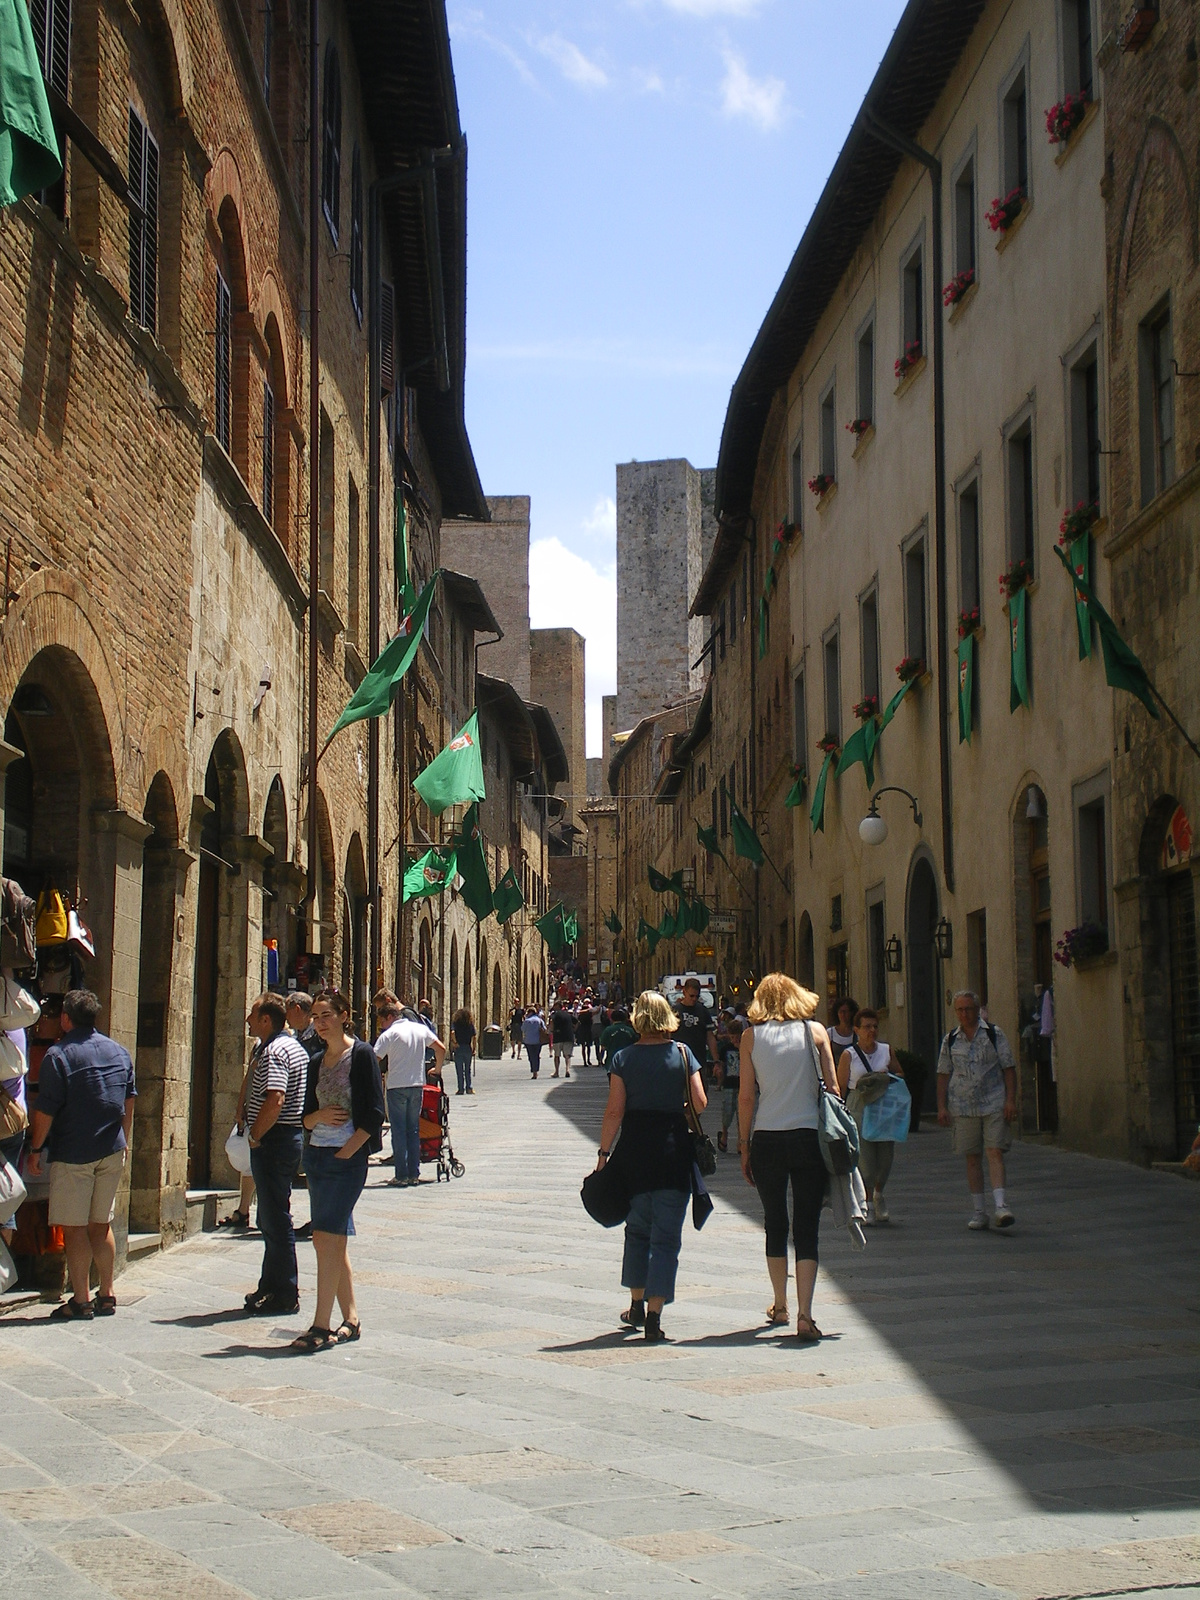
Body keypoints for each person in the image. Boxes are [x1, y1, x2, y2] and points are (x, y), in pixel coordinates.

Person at [595, 990, 707, 1343]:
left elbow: (614, 1111)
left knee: (638, 1229)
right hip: (673, 1150)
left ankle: (636, 1303)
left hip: (635, 1152)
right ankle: (655, 1315)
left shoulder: (624, 1058)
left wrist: (603, 1154)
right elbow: (700, 1103)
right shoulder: (683, 1054)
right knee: (667, 1238)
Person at [737, 973, 840, 1342]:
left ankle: (780, 1304)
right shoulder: (815, 1033)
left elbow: (746, 1097)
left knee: (775, 1221)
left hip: (767, 1138)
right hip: (808, 1136)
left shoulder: (751, 1037)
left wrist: (744, 1145)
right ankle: (805, 1315)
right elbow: (834, 1088)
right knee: (807, 1225)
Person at [26, 989, 136, 1321]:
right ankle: (107, 1294)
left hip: (74, 1151)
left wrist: (35, 1149)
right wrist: (125, 1141)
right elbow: (129, 1100)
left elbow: (46, 1109)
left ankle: (81, 1300)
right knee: (100, 1225)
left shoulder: (58, 1056)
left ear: (65, 1019)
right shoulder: (119, 1051)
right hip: (111, 1149)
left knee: (74, 1228)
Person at [294, 990, 385, 1351]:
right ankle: (351, 1318)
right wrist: (316, 1118)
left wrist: (348, 1152)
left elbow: (375, 1113)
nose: (320, 1022)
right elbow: (305, 1114)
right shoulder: (316, 1060)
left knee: (324, 1239)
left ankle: (320, 1325)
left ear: (345, 1015)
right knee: (333, 1240)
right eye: (316, 1016)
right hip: (316, 1156)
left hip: (344, 1160)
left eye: (327, 1014)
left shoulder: (361, 1054)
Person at [238, 994, 309, 1315]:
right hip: (286, 1138)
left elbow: (275, 1098)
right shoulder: (291, 1047)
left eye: (253, 1015)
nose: (249, 1021)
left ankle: (285, 1292)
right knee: (269, 1216)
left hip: (274, 1140)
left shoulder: (276, 1051)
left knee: (276, 1219)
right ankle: (269, 1285)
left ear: (267, 1020)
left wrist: (255, 1135)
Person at [937, 990, 1017, 1230]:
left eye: (968, 1009)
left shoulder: (994, 1034)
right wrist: (941, 1106)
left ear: (977, 1009)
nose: (964, 1014)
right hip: (963, 1106)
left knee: (994, 1151)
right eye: (959, 1010)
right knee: (972, 1158)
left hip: (993, 1101)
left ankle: (1001, 1206)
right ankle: (979, 1210)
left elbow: (1008, 1068)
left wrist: (1010, 1100)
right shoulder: (950, 1039)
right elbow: (943, 1073)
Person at [835, 1007, 903, 1224]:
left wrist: (888, 1076)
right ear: (856, 1030)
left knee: (885, 1157)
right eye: (866, 1027)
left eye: (874, 1026)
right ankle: (868, 1204)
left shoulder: (886, 1050)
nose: (871, 1030)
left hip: (884, 1107)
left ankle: (879, 1193)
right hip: (859, 1105)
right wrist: (839, 1113)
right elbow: (840, 1087)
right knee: (865, 1158)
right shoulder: (849, 1055)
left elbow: (901, 1073)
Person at [375, 991, 444, 1186]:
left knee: (398, 1131)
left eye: (381, 1021)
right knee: (413, 1129)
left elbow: (374, 1058)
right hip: (417, 1085)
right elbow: (441, 1048)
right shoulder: (419, 1029)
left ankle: (401, 1174)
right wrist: (436, 1069)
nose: (381, 1026)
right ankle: (414, 1173)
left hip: (396, 1086)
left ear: (389, 1017)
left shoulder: (389, 1034)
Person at [672, 978, 715, 1084]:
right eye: (691, 996)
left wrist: (716, 1059)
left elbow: (710, 1036)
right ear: (684, 992)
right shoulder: (674, 1011)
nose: (694, 999)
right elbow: (667, 1035)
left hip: (699, 1059)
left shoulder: (703, 1011)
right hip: (679, 1060)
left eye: (697, 996)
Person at [715, 1015, 744, 1154]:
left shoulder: (745, 1047)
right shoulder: (725, 1048)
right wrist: (719, 1079)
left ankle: (741, 1140)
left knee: (741, 1114)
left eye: (737, 1037)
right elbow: (721, 1065)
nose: (734, 1041)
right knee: (727, 1111)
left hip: (742, 1084)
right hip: (728, 1083)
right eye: (732, 1037)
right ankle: (725, 1134)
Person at [599, 1006, 636, 1071]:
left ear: (612, 1019)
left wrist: (601, 1059)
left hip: (612, 1061)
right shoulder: (630, 1030)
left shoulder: (608, 1030)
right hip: (628, 1061)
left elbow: (603, 1047)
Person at [451, 1008, 476, 1095]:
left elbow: (453, 1032)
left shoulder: (456, 1024)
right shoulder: (469, 1024)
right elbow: (474, 1037)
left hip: (459, 1048)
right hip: (467, 1047)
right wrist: (474, 1048)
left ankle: (460, 1089)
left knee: (459, 1070)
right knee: (467, 1070)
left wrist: (455, 1042)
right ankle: (469, 1088)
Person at [521, 1006, 548, 1078]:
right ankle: (536, 1071)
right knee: (536, 1056)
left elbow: (523, 1029)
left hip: (528, 1041)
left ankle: (533, 1070)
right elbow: (544, 1029)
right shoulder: (539, 1020)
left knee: (531, 1056)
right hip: (538, 1041)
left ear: (530, 1012)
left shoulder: (526, 1021)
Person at [550, 1003, 575, 1079]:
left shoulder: (554, 1015)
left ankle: (556, 1072)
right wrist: (573, 1030)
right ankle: (567, 1070)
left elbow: (551, 1022)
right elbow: (577, 1022)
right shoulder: (568, 1015)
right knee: (567, 1055)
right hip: (568, 1036)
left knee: (557, 1055)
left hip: (558, 1036)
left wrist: (550, 1031)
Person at [577, 998, 594, 1066]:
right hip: (588, 1030)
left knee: (583, 1046)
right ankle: (588, 1060)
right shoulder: (589, 1015)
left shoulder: (580, 1015)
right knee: (588, 1046)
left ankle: (585, 1061)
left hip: (582, 1030)